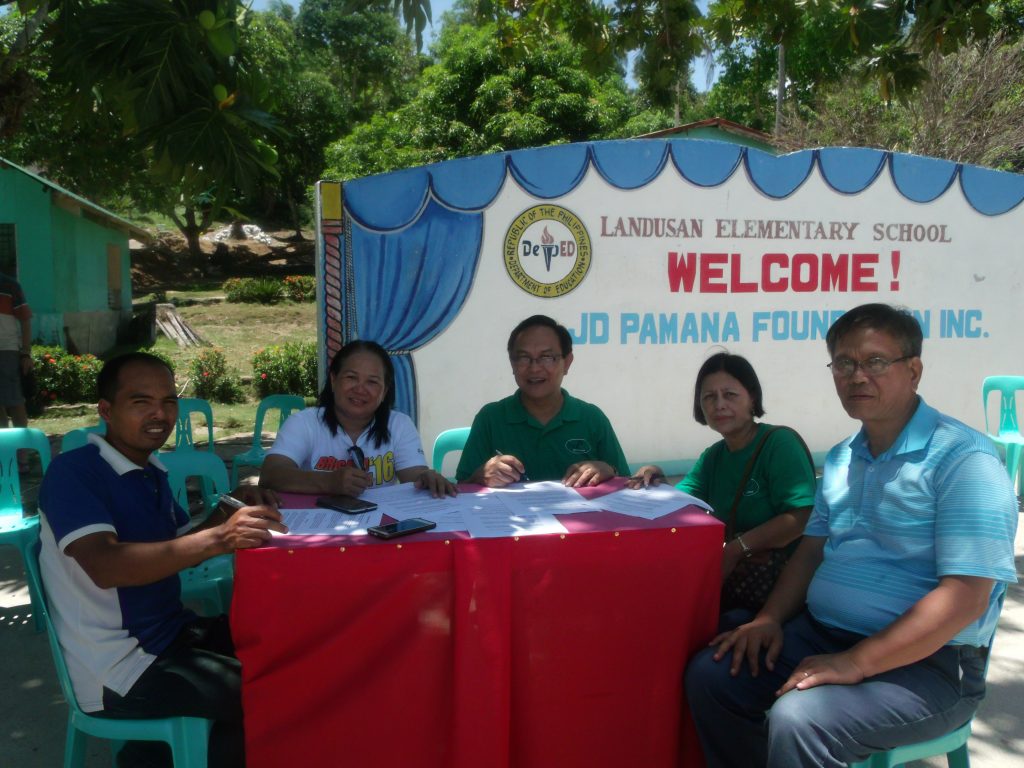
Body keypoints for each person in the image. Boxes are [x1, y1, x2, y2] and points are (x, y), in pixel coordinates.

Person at [684, 303, 1019, 768]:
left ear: (914, 370)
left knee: (803, 718)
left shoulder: (965, 461)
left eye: (875, 362)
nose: (857, 376)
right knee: (712, 675)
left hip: (932, 664)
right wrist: (769, 619)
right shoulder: (843, 457)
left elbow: (965, 598)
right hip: (822, 634)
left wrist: (857, 661)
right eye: (844, 363)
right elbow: (809, 554)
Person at [38, 352, 287, 768]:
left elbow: (174, 548)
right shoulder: (74, 473)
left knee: (276, 639)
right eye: (141, 402)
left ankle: (152, 757)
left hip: (170, 636)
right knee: (269, 692)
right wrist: (220, 537)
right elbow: (107, 566)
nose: (159, 413)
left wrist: (228, 507)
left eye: (169, 401)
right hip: (120, 668)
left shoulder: (149, 469)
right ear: (106, 410)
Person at [629, 352, 816, 619]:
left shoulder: (779, 443)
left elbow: (801, 517)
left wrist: (737, 549)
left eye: (729, 395)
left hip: (779, 598)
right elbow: (678, 502)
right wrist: (657, 479)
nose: (719, 405)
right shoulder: (714, 456)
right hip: (736, 587)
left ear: (752, 398)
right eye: (709, 397)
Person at [259, 340, 455, 497]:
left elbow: (413, 478)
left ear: (385, 391)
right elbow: (271, 474)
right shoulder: (303, 423)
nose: (360, 389)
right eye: (351, 377)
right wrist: (329, 482)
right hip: (319, 527)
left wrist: (427, 478)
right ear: (334, 380)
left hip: (381, 529)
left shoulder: (399, 424)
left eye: (372, 382)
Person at [455, 314, 628, 487]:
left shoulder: (592, 418)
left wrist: (610, 469)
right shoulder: (491, 418)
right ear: (512, 363)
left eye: (547, 357)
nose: (535, 368)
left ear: (567, 363)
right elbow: (463, 488)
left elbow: (627, 483)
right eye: (523, 358)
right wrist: (480, 476)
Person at [0, 271, 33, 430]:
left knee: (15, 401)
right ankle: (5, 449)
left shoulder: (10, 285)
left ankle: (23, 450)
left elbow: (25, 320)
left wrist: (26, 353)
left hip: (8, 350)